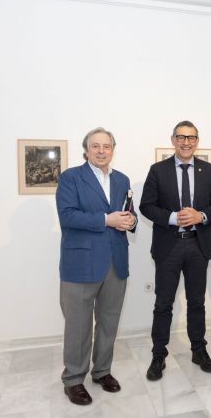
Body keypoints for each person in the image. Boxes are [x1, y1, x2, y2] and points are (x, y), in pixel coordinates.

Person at [55, 127, 137, 405]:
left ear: (113, 150)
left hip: (115, 262)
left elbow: (128, 212)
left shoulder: (122, 179)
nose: (101, 150)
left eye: (106, 146)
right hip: (81, 264)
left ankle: (102, 371)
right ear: (86, 150)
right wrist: (106, 220)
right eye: (95, 146)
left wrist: (131, 221)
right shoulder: (70, 177)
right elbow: (67, 216)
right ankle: (73, 380)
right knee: (78, 326)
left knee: (109, 322)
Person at [140, 120, 211, 381]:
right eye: (181, 137)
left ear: (197, 141)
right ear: (173, 140)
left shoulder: (208, 170)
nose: (186, 142)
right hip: (169, 246)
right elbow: (146, 206)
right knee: (163, 303)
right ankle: (158, 354)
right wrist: (173, 218)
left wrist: (201, 216)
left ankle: (199, 350)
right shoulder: (158, 170)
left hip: (198, 245)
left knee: (196, 302)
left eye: (191, 138)